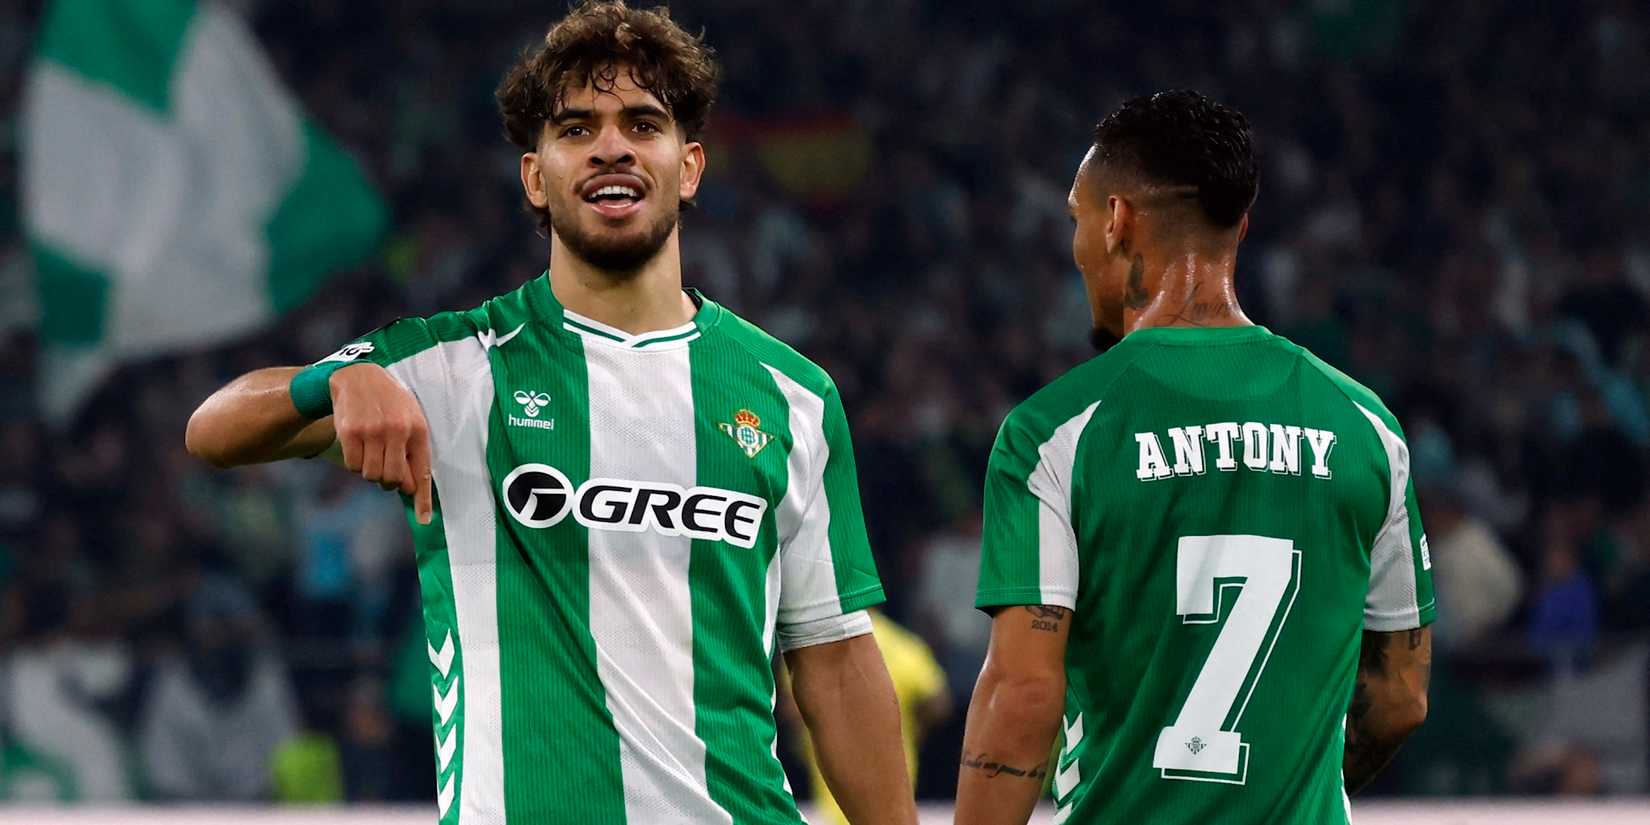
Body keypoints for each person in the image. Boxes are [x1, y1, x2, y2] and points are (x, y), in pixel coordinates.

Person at [184, 3, 915, 823]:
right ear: (537, 175)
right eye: (577, 128)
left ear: (690, 166)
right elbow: (212, 428)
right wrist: (330, 383)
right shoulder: (448, 366)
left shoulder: (793, 394)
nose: (612, 145)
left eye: (644, 123)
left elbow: (835, 659)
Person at [953, 91, 1435, 825]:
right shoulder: (1367, 425)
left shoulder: (1055, 432)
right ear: (1239, 226)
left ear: (1114, 221)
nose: (1078, 242)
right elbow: (1400, 695)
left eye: (1076, 218)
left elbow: (1022, 693)